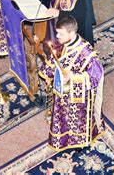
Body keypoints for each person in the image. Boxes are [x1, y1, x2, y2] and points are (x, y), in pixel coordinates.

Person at [39, 15, 105, 152]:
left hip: (79, 97)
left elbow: (96, 76)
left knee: (75, 121)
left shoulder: (86, 53)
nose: (57, 36)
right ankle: (62, 139)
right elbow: (54, 59)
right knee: (62, 116)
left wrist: (73, 77)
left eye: (60, 34)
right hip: (62, 91)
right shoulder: (61, 42)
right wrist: (48, 72)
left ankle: (80, 143)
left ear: (72, 33)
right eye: (57, 33)